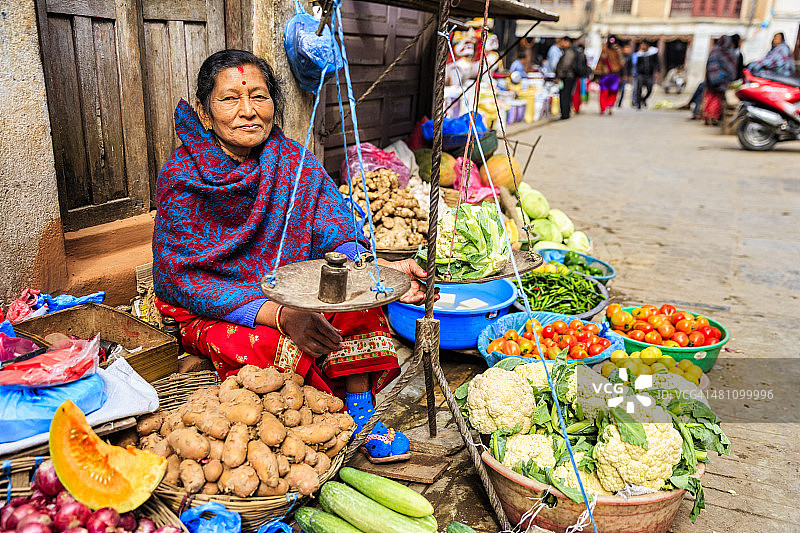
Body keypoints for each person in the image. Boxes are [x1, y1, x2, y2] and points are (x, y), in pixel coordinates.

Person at [152, 49, 432, 460]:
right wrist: (281, 315)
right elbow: (183, 281)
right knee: (275, 347)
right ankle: (328, 416)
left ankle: (361, 410)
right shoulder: (181, 178)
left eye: (259, 97)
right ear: (205, 112)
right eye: (230, 98)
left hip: (292, 287)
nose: (248, 111)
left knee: (358, 300)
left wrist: (381, 272)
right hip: (220, 306)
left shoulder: (293, 162)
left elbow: (335, 233)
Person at [701, 35, 738, 126]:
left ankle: (708, 116)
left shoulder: (714, 50)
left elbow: (710, 66)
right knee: (716, 99)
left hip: (711, 79)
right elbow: (731, 68)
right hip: (721, 81)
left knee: (710, 98)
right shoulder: (728, 53)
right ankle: (713, 117)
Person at [594, 36, 625, 115]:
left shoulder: (617, 51)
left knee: (612, 92)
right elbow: (600, 62)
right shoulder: (605, 50)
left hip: (614, 75)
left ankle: (608, 107)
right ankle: (604, 108)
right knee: (605, 92)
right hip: (606, 75)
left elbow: (622, 63)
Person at [555, 36, 579, 120]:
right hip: (568, 76)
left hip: (567, 77)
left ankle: (565, 113)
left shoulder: (569, 52)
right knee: (566, 95)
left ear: (567, 42)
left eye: (562, 42)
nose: (561, 44)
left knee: (565, 95)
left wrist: (559, 75)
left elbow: (565, 65)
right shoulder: (569, 51)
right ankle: (565, 112)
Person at [633, 41, 659, 109]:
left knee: (650, 89)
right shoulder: (639, 54)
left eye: (644, 45)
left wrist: (657, 71)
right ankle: (638, 104)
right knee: (638, 89)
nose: (642, 47)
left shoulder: (653, 53)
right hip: (640, 74)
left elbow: (657, 63)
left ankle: (643, 99)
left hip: (650, 74)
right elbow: (637, 65)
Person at [617, 43, 633, 108]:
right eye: (626, 49)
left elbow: (630, 67)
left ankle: (620, 103)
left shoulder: (630, 57)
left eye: (628, 49)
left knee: (623, 90)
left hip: (625, 76)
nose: (627, 50)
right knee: (616, 89)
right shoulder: (619, 56)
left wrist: (629, 76)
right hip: (618, 75)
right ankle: (615, 101)